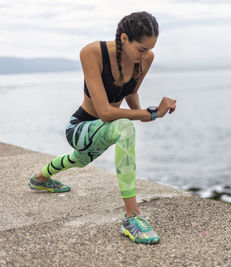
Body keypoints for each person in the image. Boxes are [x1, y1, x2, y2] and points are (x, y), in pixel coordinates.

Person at [28, 11, 176, 245]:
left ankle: (39, 179)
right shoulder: (92, 53)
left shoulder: (145, 59)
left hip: (102, 129)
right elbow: (106, 112)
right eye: (141, 49)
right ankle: (131, 218)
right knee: (124, 127)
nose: (146, 54)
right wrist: (149, 112)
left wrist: (156, 112)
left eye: (150, 49)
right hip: (81, 127)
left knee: (79, 159)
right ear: (125, 38)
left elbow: (132, 97)